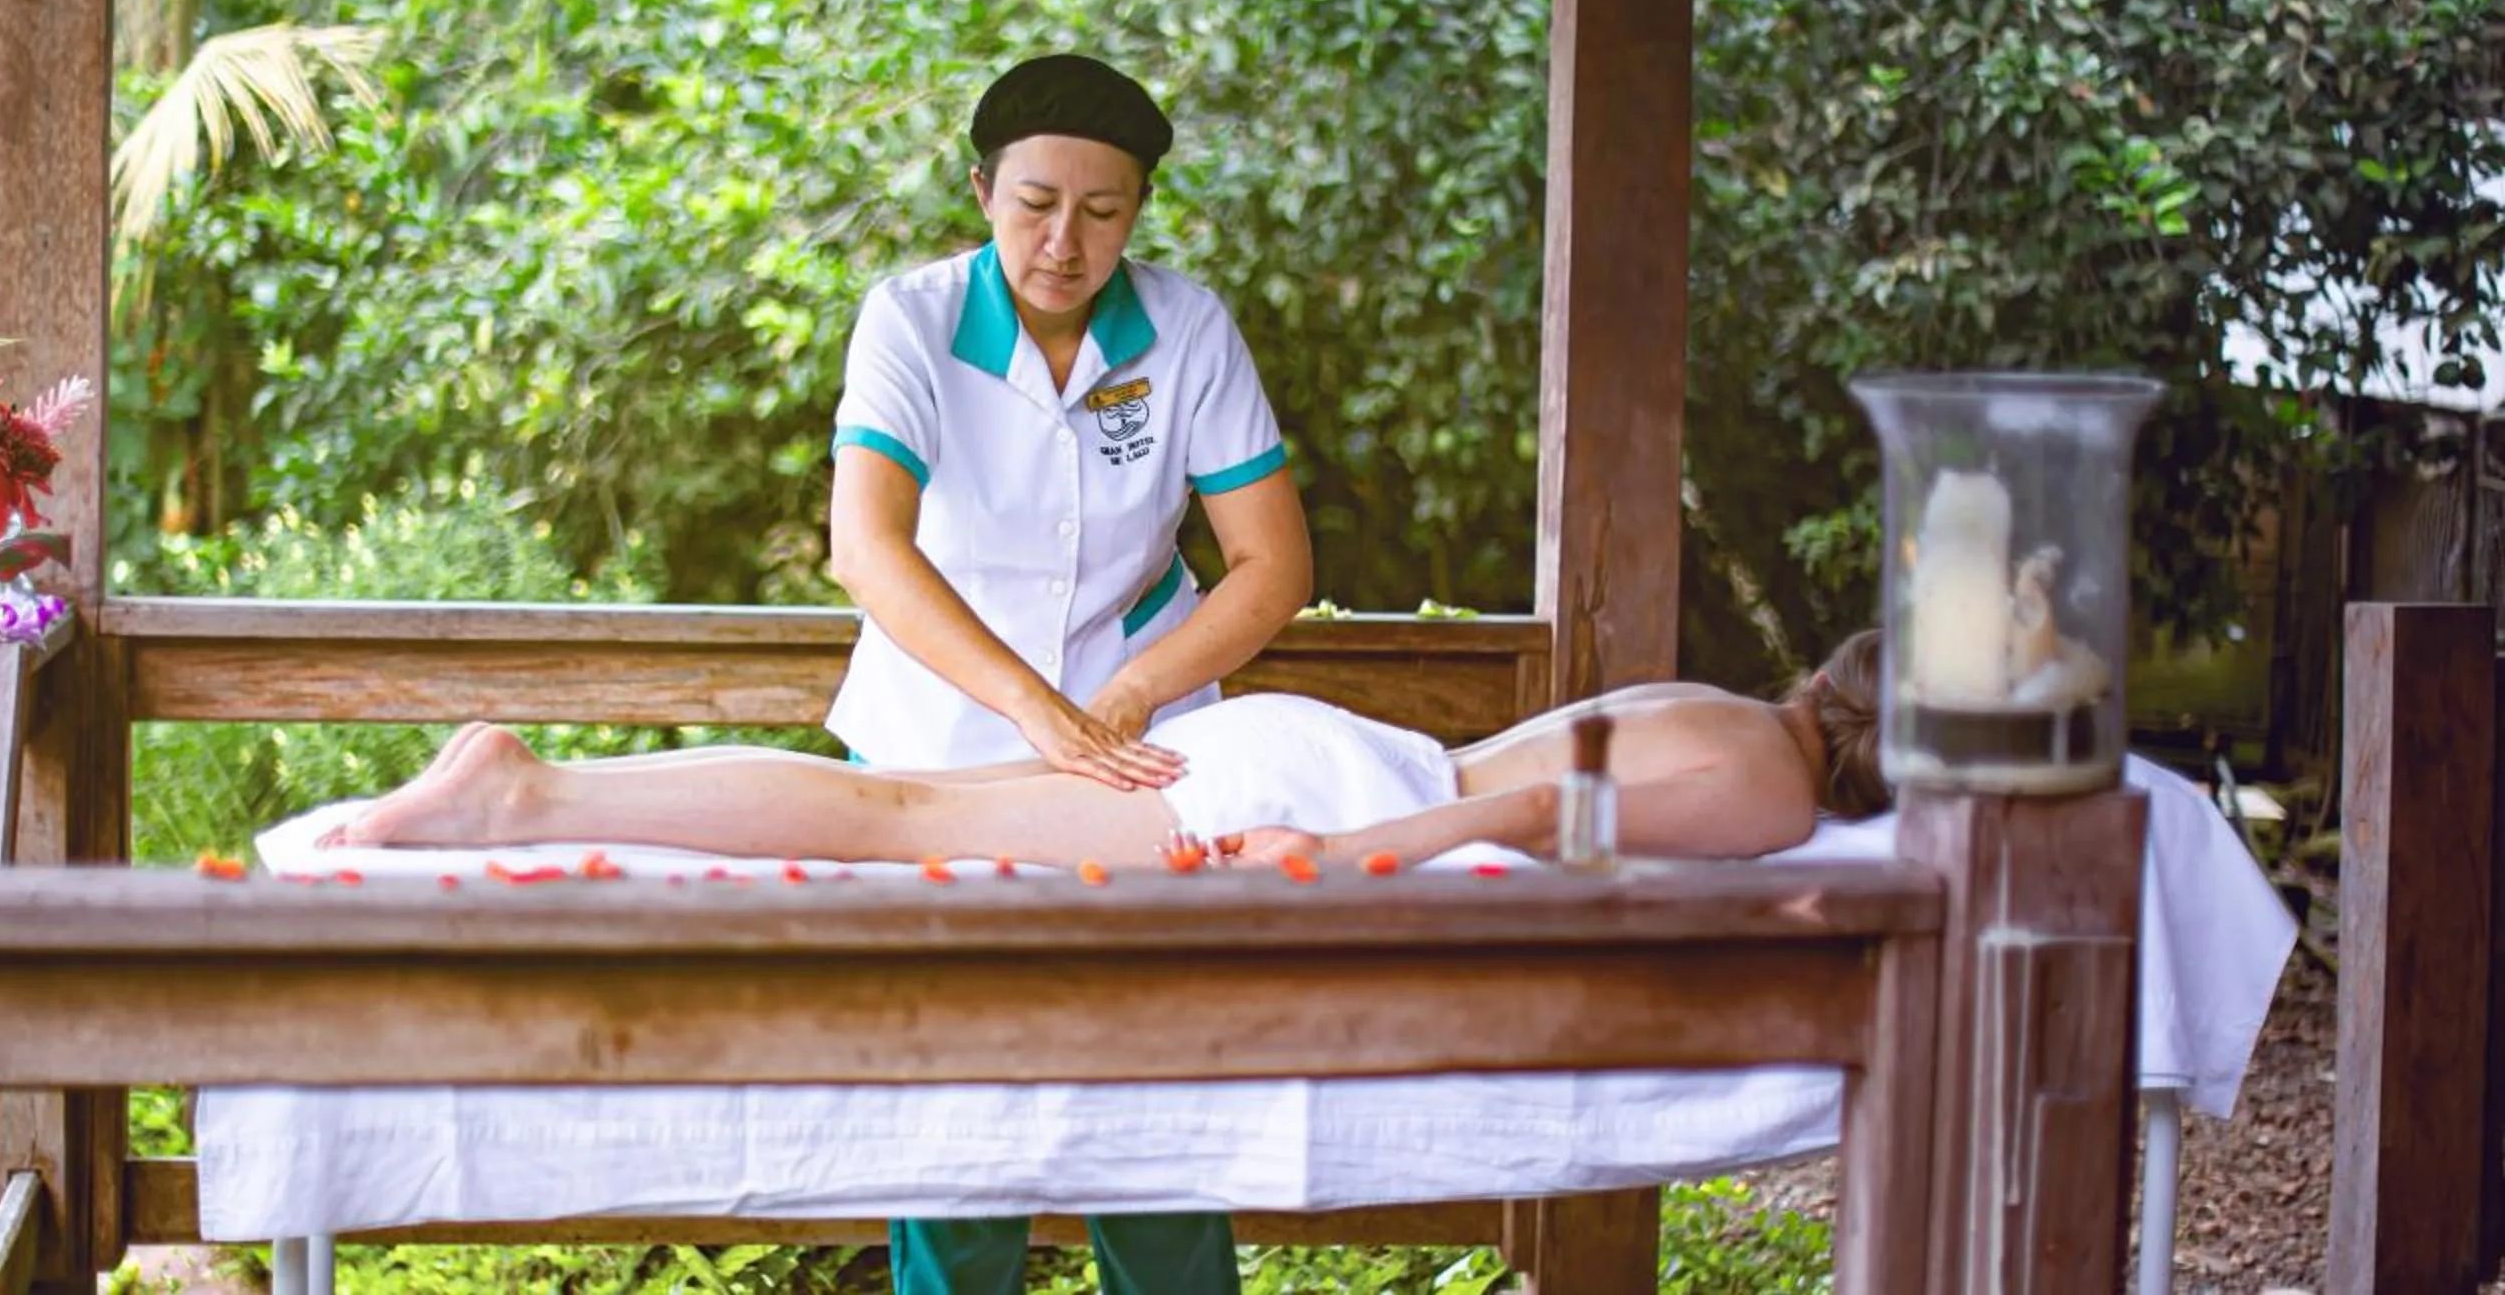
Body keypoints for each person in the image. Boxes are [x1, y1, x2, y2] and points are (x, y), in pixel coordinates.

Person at [810, 52, 1312, 1295]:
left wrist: (1132, 690)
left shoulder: (1186, 324)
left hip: (1141, 744)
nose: (1065, 241)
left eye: (1104, 209)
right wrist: (1032, 707)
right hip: (937, 740)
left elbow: (1270, 561)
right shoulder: (911, 319)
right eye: (1036, 203)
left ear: (1138, 210)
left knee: (1152, 1072)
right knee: (958, 1097)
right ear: (981, 191)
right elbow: (864, 545)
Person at [320, 630, 1895, 877]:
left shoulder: (1733, 704)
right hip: (1333, 792)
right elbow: (1554, 808)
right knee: (892, 825)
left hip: (1319, 748)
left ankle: (533, 786)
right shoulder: (1770, 777)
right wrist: (1351, 858)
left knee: (901, 807)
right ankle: (523, 793)